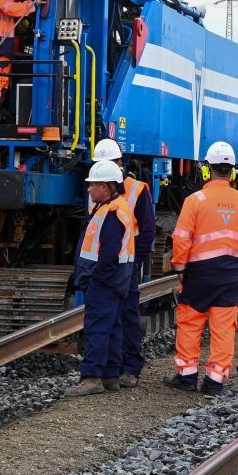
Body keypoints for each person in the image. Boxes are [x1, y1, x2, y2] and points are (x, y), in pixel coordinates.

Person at [166, 142, 238, 395]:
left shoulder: (194, 200)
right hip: (231, 273)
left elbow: (182, 238)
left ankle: (187, 376)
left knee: (190, 323)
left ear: (206, 169)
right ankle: (215, 381)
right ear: (232, 172)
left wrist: (180, 267)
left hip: (198, 274)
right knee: (224, 327)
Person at [65, 160, 137, 397]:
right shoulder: (113, 208)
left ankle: (92, 377)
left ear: (106, 187)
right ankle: (110, 376)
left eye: (92, 185)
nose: (88, 190)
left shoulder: (112, 212)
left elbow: (108, 254)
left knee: (96, 328)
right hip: (115, 281)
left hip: (105, 281)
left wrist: (95, 280)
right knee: (113, 326)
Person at [89, 139, 157, 388]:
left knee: (127, 314)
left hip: (126, 265)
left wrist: (134, 262)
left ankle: (131, 367)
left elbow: (147, 230)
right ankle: (111, 369)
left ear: (120, 163)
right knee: (110, 318)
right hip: (106, 265)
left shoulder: (138, 190)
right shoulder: (97, 188)